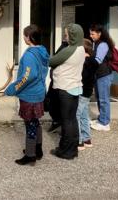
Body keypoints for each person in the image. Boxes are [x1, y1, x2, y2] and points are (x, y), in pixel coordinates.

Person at [5, 25, 49, 166]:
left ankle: (30, 155)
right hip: (39, 92)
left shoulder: (30, 55)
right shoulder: (42, 51)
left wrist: (13, 88)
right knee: (35, 122)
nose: (23, 37)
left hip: (30, 95)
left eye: (24, 35)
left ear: (29, 38)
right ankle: (38, 149)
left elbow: (28, 76)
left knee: (30, 123)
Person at [49, 24, 85, 160]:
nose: (65, 37)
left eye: (67, 34)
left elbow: (51, 62)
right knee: (72, 119)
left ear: (73, 36)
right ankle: (73, 148)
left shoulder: (69, 50)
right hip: (75, 87)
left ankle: (65, 151)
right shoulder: (81, 48)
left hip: (65, 89)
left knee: (66, 122)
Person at [89, 24, 114, 131]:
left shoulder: (103, 44)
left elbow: (98, 60)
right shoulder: (96, 43)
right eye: (90, 33)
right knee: (100, 98)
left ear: (99, 34)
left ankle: (105, 123)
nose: (91, 36)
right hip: (99, 75)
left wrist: (86, 60)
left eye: (92, 34)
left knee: (104, 99)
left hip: (104, 75)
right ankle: (101, 118)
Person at [77, 39, 99, 150]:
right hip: (88, 91)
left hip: (82, 91)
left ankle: (79, 141)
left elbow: (82, 77)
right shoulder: (93, 60)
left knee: (76, 115)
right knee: (84, 115)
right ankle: (87, 139)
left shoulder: (84, 61)